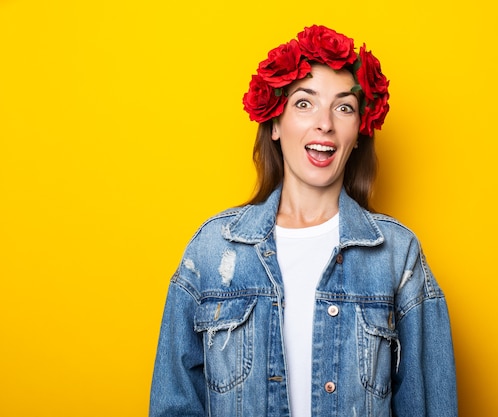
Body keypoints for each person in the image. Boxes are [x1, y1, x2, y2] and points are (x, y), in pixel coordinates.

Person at [150, 25, 457, 417]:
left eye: (343, 107)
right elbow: (173, 405)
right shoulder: (211, 250)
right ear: (275, 125)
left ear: (358, 133)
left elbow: (431, 406)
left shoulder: (398, 256)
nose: (324, 123)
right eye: (304, 103)